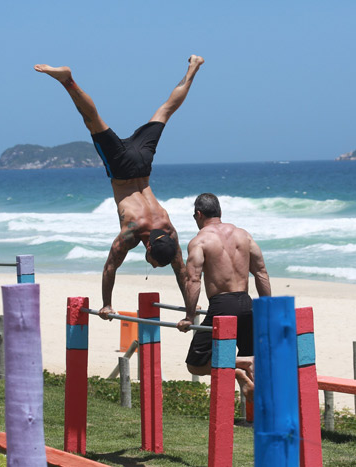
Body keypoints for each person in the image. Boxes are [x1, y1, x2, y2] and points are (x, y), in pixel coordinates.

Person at [35, 56, 205, 319]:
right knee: (91, 119)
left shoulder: (169, 231)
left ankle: (193, 67)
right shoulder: (132, 231)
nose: (153, 265)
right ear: (149, 249)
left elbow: (182, 272)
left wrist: (190, 314)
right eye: (153, 262)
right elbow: (110, 267)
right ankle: (68, 81)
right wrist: (106, 304)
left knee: (166, 110)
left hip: (143, 165)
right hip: (121, 170)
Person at [176, 193, 271, 398]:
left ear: (198, 215)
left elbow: (193, 280)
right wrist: (267, 309)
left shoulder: (200, 241)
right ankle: (256, 409)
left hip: (222, 306)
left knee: (196, 365)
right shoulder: (243, 235)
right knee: (252, 360)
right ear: (219, 212)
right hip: (247, 304)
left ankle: (239, 367)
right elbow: (261, 273)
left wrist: (189, 317)